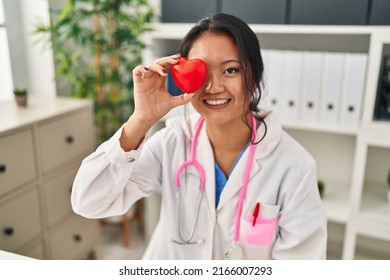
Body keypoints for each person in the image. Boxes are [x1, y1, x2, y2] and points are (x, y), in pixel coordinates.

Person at [71, 13, 327, 259]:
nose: (213, 87)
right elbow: (88, 202)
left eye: (231, 70)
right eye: (201, 72)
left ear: (255, 76)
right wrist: (142, 119)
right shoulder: (171, 144)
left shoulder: (295, 167)